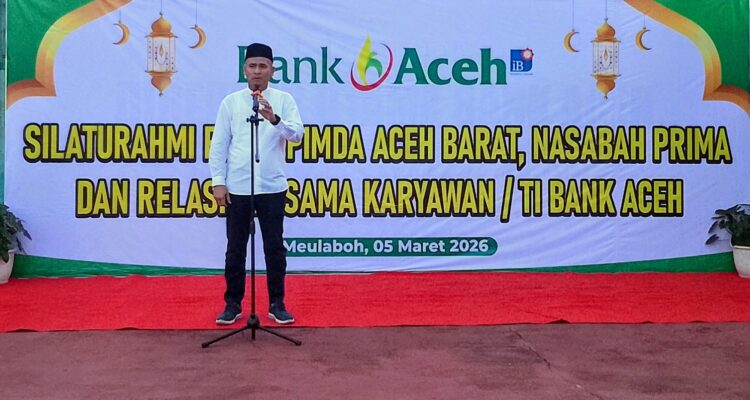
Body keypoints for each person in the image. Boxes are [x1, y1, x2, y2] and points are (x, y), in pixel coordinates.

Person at [209, 43, 304, 325]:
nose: (258, 71)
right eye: (253, 66)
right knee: (235, 248)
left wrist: (274, 119)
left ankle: (277, 303)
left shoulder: (284, 100)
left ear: (272, 70)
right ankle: (233, 304)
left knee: (274, 248)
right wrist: (218, 182)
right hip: (238, 186)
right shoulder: (231, 102)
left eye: (263, 66)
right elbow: (219, 145)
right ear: (244, 70)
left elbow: (297, 135)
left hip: (272, 186)